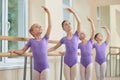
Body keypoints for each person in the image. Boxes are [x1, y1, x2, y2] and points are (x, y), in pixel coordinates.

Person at [9, 6, 52, 80]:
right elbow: (22, 51)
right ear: (32, 32)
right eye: (36, 27)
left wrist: (48, 13)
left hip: (45, 67)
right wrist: (14, 50)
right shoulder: (31, 41)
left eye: (40, 26)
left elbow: (50, 26)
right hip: (35, 68)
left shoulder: (45, 39)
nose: (39, 27)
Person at [48, 8, 81, 80]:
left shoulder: (76, 35)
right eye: (66, 24)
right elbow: (54, 47)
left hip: (74, 62)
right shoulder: (63, 39)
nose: (68, 25)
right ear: (63, 28)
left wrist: (73, 12)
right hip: (66, 62)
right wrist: (44, 51)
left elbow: (79, 22)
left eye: (69, 23)